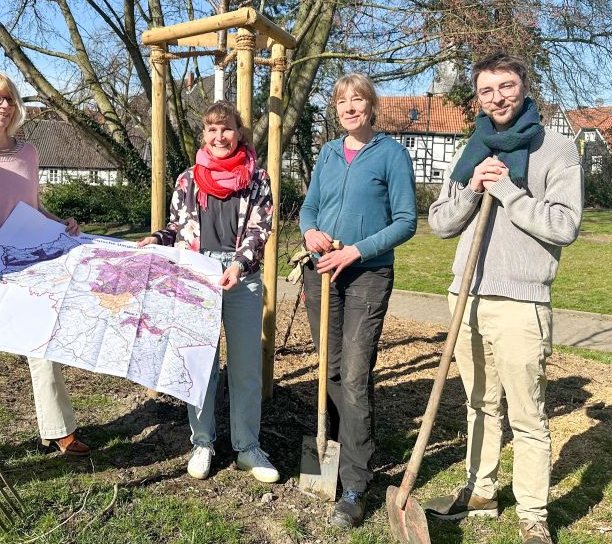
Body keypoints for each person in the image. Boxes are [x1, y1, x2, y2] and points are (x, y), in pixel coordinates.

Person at [424, 53, 583, 544]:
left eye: (507, 87)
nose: (498, 98)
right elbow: (439, 223)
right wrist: (473, 189)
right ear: (478, 97)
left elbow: (565, 225)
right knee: (478, 404)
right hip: (466, 298)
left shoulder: (556, 150)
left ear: (524, 87)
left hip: (521, 302)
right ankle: (481, 491)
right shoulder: (471, 148)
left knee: (528, 414)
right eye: (488, 90)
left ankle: (534, 515)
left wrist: (510, 193)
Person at [0, 70, 90, 464]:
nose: (3, 105)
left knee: (44, 344)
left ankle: (59, 430)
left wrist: (61, 223)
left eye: (9, 98)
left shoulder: (28, 153)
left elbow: (32, 206)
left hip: (28, 265)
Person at [137, 101, 278, 484]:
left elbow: (259, 230)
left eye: (227, 128)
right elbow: (176, 227)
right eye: (212, 130)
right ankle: (202, 441)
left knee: (246, 367)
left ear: (240, 133)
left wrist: (238, 264)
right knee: (198, 365)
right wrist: (157, 239)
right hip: (196, 276)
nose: (220, 136)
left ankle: (248, 446)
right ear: (204, 135)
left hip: (241, 275)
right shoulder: (188, 179)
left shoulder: (258, 180)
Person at [298, 72, 417, 529]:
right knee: (328, 368)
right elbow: (310, 207)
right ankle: (346, 447)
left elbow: (406, 221)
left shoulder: (391, 154)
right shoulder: (328, 153)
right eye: (342, 101)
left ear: (371, 106)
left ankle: (353, 482)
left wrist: (357, 250)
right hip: (322, 273)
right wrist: (310, 233)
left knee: (353, 376)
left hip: (366, 275)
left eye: (358, 100)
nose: (349, 107)